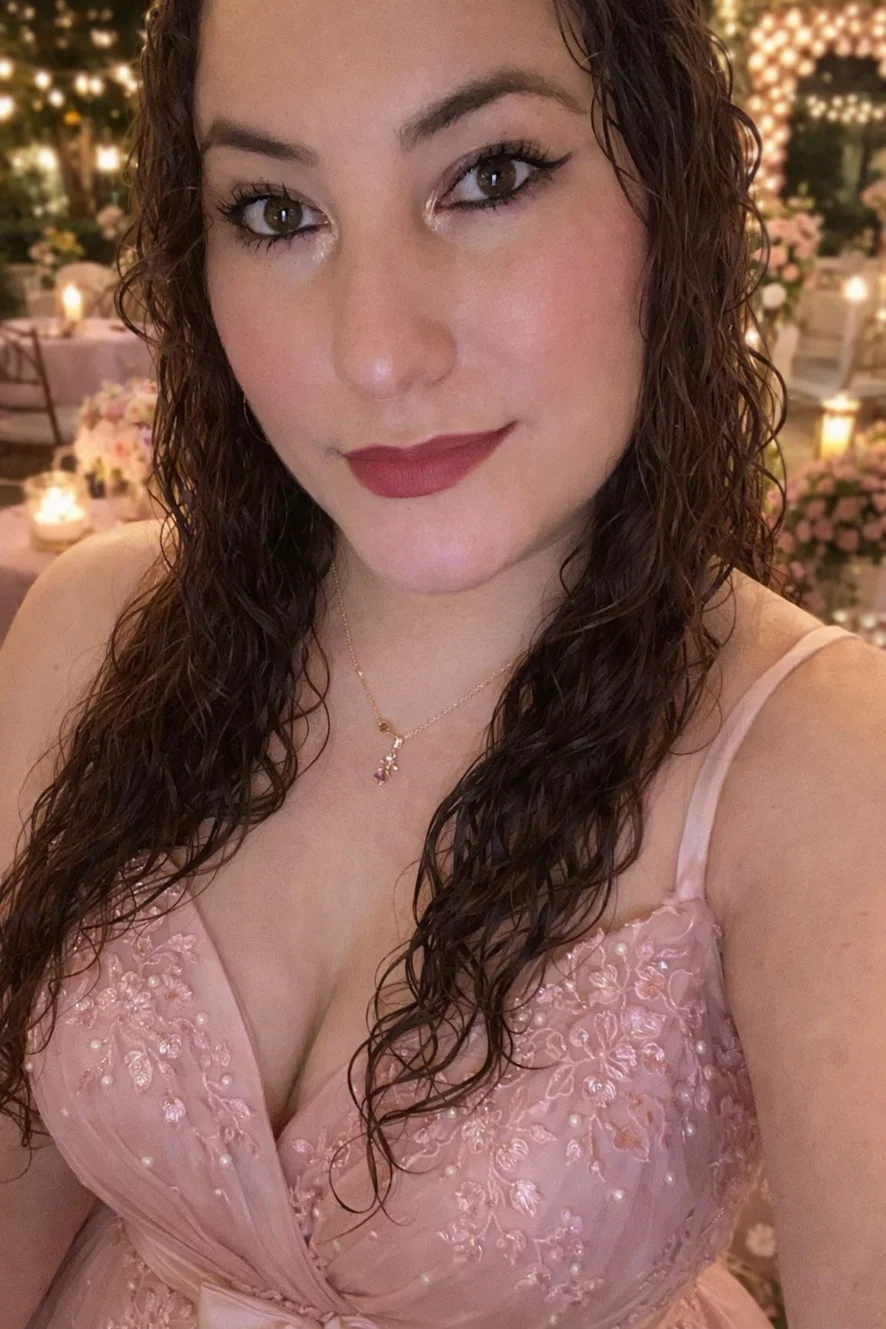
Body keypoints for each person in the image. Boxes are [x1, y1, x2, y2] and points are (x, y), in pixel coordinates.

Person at [1, 0, 885, 1325]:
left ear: (671, 188)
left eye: (490, 176)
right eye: (276, 212)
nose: (374, 352)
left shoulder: (823, 771)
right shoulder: (96, 628)